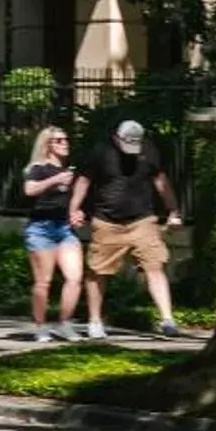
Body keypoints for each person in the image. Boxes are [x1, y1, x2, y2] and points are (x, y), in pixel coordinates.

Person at [68, 117, 184, 340]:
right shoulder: (101, 152)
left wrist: (173, 210)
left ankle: (167, 320)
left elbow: (161, 181)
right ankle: (94, 321)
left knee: (155, 265)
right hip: (107, 221)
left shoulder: (148, 150)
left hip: (143, 220)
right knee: (97, 271)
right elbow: (84, 181)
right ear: (116, 138)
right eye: (127, 144)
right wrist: (74, 209)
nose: (131, 150)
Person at [19, 125, 84, 341]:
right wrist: (55, 180)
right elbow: (29, 190)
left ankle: (64, 323)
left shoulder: (69, 171)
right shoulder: (39, 167)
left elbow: (72, 200)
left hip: (65, 228)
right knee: (43, 282)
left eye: (66, 139)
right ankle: (40, 327)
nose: (65, 143)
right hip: (41, 229)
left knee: (74, 278)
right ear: (47, 145)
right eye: (59, 140)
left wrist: (77, 213)